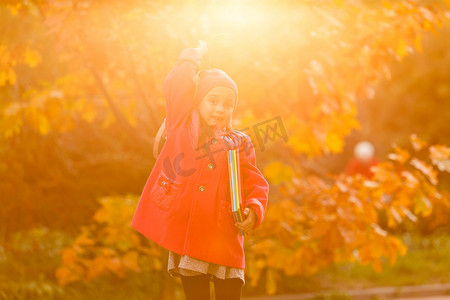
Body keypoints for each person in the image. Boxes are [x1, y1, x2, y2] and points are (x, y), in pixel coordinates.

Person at [131, 41, 269, 300]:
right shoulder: (183, 127)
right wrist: (193, 56)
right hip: (191, 236)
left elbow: (255, 182)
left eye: (228, 104)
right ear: (198, 102)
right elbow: (176, 84)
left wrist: (254, 208)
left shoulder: (240, 142)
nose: (220, 108)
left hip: (224, 234)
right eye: (213, 100)